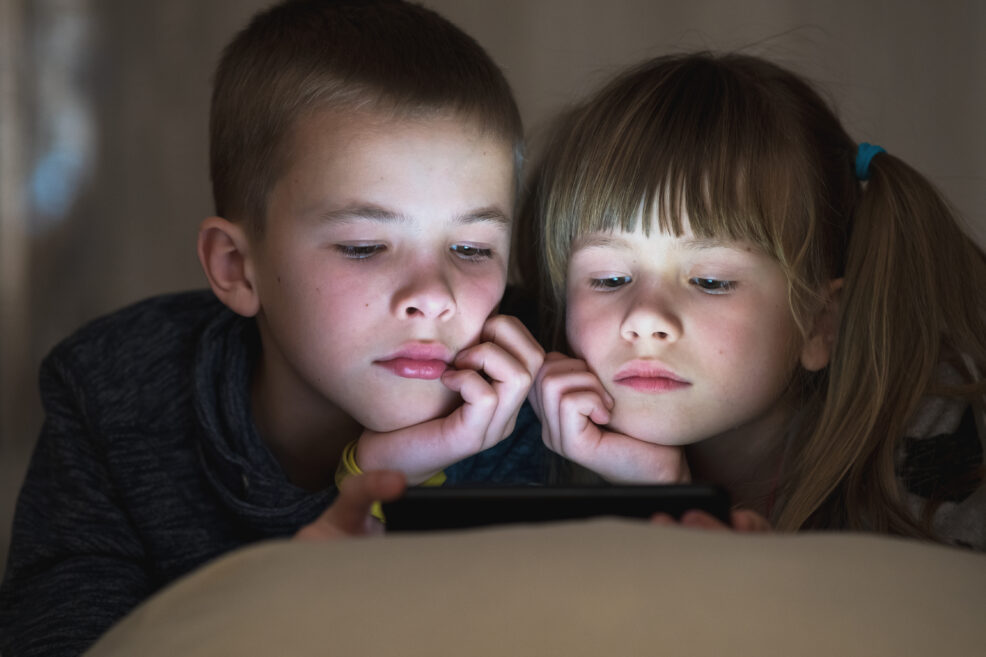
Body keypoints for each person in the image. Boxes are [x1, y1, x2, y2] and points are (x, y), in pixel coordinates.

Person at [0, 1, 546, 654]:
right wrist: (294, 587)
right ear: (237, 267)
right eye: (366, 246)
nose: (433, 296)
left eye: (471, 248)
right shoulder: (113, 393)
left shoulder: (548, 395)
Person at [521, 52, 985, 549]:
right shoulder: (535, 438)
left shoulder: (935, 452)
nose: (645, 318)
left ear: (819, 325)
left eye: (712, 281)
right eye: (610, 278)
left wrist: (672, 500)